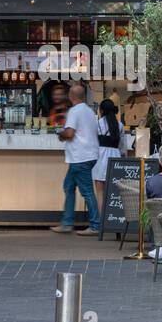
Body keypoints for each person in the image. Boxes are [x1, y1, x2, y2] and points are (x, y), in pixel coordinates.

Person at [51, 82, 101, 236]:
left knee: (86, 191)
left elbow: (70, 133)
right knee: (69, 186)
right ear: (83, 96)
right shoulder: (90, 112)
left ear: (71, 96)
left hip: (80, 157)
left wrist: (61, 134)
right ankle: (67, 223)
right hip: (88, 155)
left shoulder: (74, 111)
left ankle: (95, 225)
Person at [92, 98, 123, 208]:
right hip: (115, 159)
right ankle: (111, 220)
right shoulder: (120, 125)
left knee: (100, 193)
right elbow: (122, 147)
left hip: (100, 159)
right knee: (113, 193)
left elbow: (92, 144)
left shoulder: (97, 124)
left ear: (101, 111)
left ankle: (101, 221)